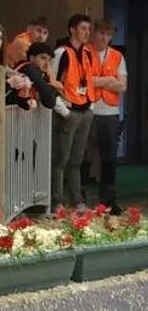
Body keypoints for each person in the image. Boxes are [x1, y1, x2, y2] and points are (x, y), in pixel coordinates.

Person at [50, 14, 98, 212]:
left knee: (77, 159)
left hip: (85, 109)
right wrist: (62, 109)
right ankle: (57, 201)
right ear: (72, 30)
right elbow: (51, 81)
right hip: (68, 111)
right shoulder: (61, 52)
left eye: (88, 29)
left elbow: (89, 80)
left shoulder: (87, 53)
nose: (86, 32)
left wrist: (91, 107)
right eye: (82, 28)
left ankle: (77, 199)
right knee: (62, 158)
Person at [82, 18, 127, 214]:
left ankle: (108, 199)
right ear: (93, 33)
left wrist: (98, 81)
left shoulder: (117, 56)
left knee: (109, 157)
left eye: (108, 35)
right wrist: (109, 80)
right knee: (83, 155)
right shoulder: (84, 52)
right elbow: (83, 80)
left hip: (110, 112)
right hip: (88, 109)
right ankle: (80, 196)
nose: (104, 38)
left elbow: (122, 85)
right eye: (101, 33)